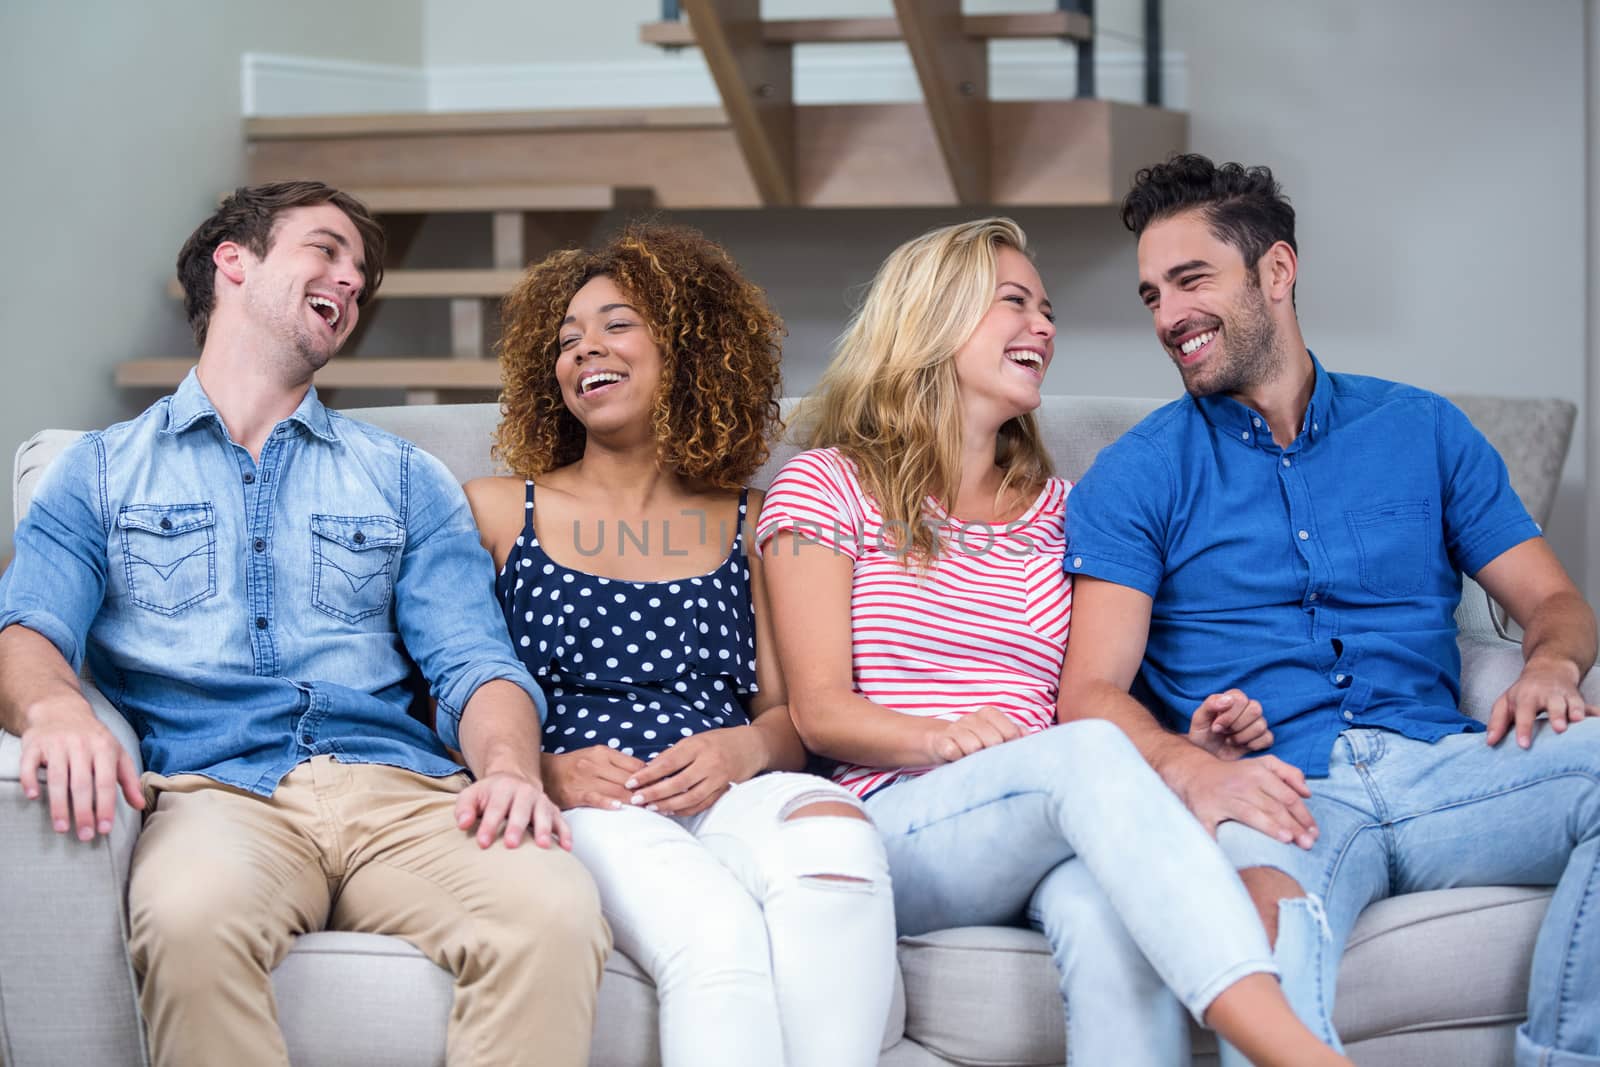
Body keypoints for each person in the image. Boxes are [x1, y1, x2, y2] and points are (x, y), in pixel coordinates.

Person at [0, 181, 609, 1067]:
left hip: (403, 794)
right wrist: (57, 711)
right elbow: (26, 628)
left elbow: (477, 663)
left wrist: (511, 768)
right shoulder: (99, 472)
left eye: (362, 271)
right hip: (217, 794)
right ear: (233, 263)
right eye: (326, 250)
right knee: (186, 917)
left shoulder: (402, 478)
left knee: (552, 909)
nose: (352, 280)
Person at [757, 216, 1351, 1067]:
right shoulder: (829, 484)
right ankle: (1293, 1048)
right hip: (902, 815)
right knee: (1081, 754)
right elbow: (818, 711)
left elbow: (1092, 686)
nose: (1044, 326)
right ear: (934, 319)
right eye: (1014, 303)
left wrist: (1185, 744)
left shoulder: (1063, 509)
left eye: (1047, 309)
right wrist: (944, 736)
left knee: (1109, 916)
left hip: (1056, 810)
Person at [1059, 153, 1600, 1066]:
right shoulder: (1137, 474)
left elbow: (1554, 598)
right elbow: (1089, 693)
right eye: (1152, 294)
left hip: (1449, 768)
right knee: (1264, 951)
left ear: (1277, 271)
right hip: (1279, 794)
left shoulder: (1422, 429)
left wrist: (1550, 663)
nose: (1169, 317)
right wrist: (1192, 771)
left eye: (1192, 280)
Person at [466, 222, 897, 1067]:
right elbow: (444, 690)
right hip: (593, 804)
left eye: (618, 323)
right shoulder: (493, 510)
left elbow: (788, 715)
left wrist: (743, 748)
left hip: (729, 788)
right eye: (566, 339)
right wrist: (538, 771)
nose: (586, 348)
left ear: (691, 347)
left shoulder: (753, 514)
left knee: (842, 849)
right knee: (718, 934)